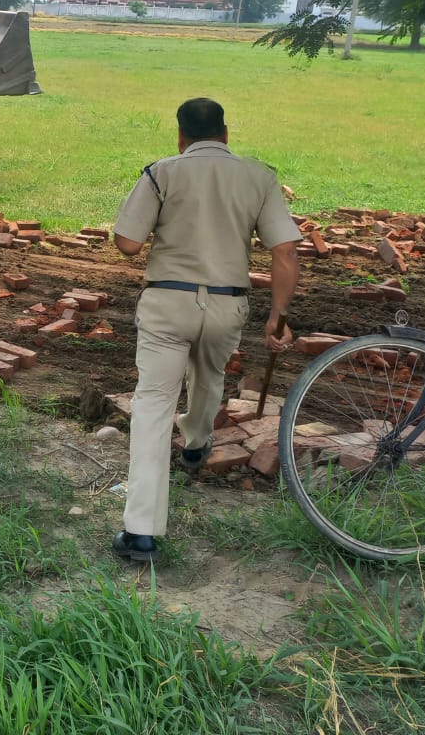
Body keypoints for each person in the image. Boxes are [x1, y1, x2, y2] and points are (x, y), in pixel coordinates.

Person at [110, 98, 300, 563]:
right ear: (226, 134)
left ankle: (141, 532)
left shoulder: (161, 172)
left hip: (167, 301)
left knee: (153, 404)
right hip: (226, 303)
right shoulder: (260, 176)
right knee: (209, 375)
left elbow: (128, 244)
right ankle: (196, 443)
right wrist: (277, 316)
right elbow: (285, 252)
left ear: (180, 137)